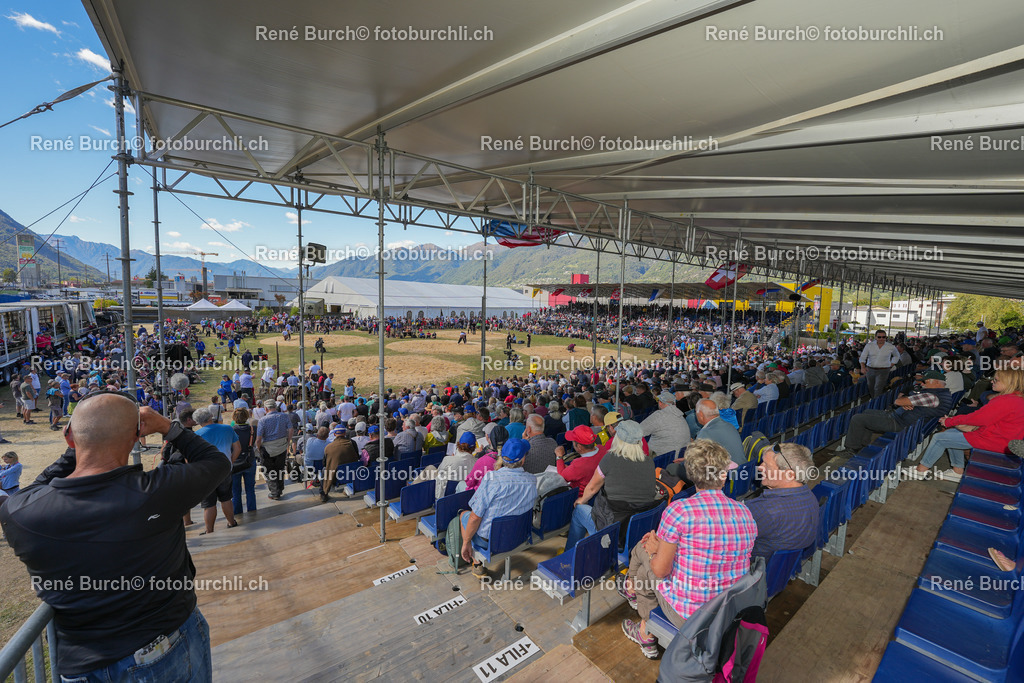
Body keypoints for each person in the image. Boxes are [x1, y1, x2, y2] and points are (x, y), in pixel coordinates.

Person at [0, 393, 227, 680]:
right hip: (165, 647)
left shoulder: (20, 512)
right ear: (136, 438)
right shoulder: (158, 491)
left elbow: (36, 489)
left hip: (82, 662)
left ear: (69, 437)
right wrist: (166, 426)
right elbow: (217, 462)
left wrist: (79, 442)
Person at [619, 439, 757, 659]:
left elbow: (661, 571)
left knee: (644, 555)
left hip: (691, 617)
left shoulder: (679, 510)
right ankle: (636, 601)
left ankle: (643, 626)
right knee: (647, 561)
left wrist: (655, 551)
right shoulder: (744, 512)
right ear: (723, 476)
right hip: (728, 612)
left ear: (691, 475)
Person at [907, 368, 1024, 482]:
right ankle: (957, 471)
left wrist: (950, 421)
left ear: (1009, 383)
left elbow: (978, 418)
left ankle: (921, 471)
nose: (992, 381)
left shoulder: (1006, 401)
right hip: (999, 438)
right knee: (950, 434)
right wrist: (954, 421)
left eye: (996, 380)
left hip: (995, 441)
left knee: (939, 438)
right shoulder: (1015, 398)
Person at [565, 420, 658, 550]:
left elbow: (592, 488)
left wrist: (581, 500)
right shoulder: (649, 462)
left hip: (612, 531)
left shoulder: (610, 459)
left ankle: (570, 553)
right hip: (638, 530)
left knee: (579, 510)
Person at [460, 438, 538, 577]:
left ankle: (477, 563)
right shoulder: (532, 480)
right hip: (519, 534)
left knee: (463, 515)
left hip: (491, 541)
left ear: (502, 457)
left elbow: (475, 517)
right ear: (523, 459)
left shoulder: (491, 478)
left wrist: (466, 542)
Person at [837, 370, 953, 455]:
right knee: (867, 412)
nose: (922, 384)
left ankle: (851, 449)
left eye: (925, 382)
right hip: (903, 419)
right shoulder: (943, 395)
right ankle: (862, 444)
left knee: (858, 418)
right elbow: (904, 401)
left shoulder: (931, 396)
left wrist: (905, 401)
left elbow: (898, 401)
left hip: (899, 423)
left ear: (936, 383)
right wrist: (907, 402)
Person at [745, 443, 819, 559]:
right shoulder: (809, 496)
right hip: (785, 564)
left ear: (789, 475)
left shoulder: (766, 510)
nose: (760, 467)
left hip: (756, 564)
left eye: (767, 465)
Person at [193, 406, 241, 534]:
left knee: (209, 504)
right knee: (226, 498)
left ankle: (209, 530)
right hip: (225, 468)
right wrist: (231, 461)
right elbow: (237, 448)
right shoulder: (227, 428)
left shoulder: (196, 436)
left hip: (206, 472)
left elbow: (191, 458)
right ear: (211, 417)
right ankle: (231, 522)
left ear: (197, 422)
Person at [255, 398, 294, 500]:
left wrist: (258, 448)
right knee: (280, 468)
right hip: (281, 446)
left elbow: (258, 439)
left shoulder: (262, 420)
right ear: (275, 407)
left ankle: (275, 492)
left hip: (267, 448)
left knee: (268, 471)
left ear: (266, 408)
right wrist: (288, 441)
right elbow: (291, 429)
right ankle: (279, 488)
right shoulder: (284, 416)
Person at [640, 391, 690, 458]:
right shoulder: (681, 416)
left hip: (660, 458)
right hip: (679, 457)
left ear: (660, 403)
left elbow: (638, 431)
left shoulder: (659, 415)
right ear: (674, 404)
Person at [555, 425, 604, 491]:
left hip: (580, 494)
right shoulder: (602, 449)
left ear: (579, 446)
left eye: (573, 441)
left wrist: (559, 456)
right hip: (599, 489)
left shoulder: (579, 465)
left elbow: (562, 477)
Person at [321, 424, 359, 501]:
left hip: (336, 477)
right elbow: (357, 457)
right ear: (345, 433)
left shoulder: (328, 447)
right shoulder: (352, 443)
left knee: (324, 470)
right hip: (352, 475)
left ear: (334, 434)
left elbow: (324, 463)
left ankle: (323, 493)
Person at [231, 408, 257, 515]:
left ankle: (237, 513)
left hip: (235, 461)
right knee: (250, 489)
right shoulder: (253, 429)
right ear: (247, 416)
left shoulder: (231, 430)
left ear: (234, 418)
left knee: (235, 491)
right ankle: (252, 512)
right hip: (249, 460)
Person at [860, 330, 900, 398]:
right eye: (879, 337)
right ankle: (874, 399)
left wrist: (891, 364)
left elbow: (897, 355)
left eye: (883, 337)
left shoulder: (890, 346)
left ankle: (875, 402)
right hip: (870, 369)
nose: (881, 338)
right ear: (875, 337)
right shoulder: (869, 346)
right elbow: (863, 357)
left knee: (878, 387)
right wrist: (862, 367)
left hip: (883, 370)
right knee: (870, 387)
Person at [304, 426, 329, 492]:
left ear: (317, 435)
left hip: (311, 467)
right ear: (327, 436)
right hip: (323, 467)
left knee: (299, 457)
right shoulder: (329, 444)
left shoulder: (310, 440)